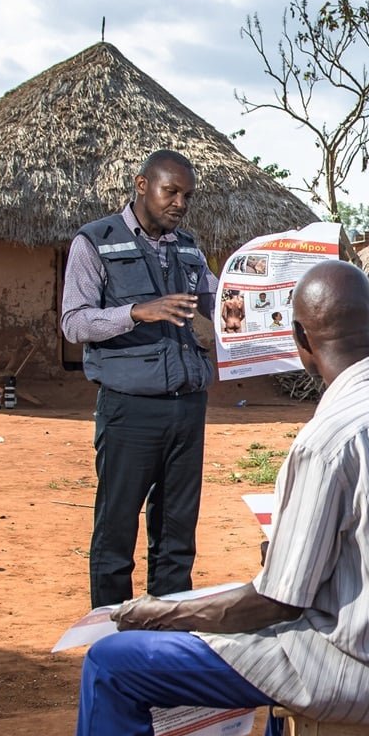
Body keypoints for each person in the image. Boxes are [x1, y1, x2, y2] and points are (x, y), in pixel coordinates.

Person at [70, 261, 369, 736]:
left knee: (111, 664)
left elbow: (277, 602)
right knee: (282, 644)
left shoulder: (328, 440)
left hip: (355, 670)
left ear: (299, 338)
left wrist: (162, 613)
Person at [61, 149, 217, 608]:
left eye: (187, 196)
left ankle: (166, 639)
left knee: (176, 534)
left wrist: (231, 307)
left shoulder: (188, 248)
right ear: (141, 184)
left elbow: (215, 302)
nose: (180, 204)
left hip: (187, 407)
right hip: (130, 409)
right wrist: (135, 312)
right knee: (116, 530)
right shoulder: (94, 242)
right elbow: (74, 322)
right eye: (171, 192)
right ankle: (112, 638)